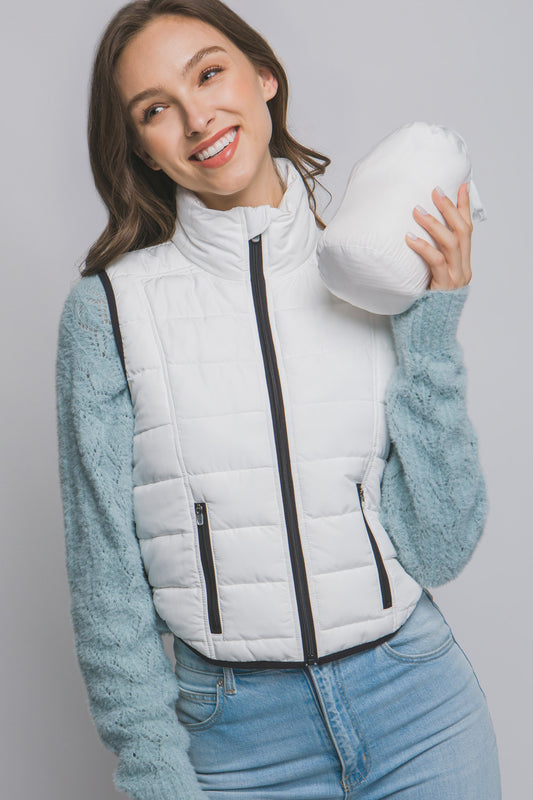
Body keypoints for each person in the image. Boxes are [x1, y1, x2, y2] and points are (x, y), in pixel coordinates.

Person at [55, 1, 502, 798]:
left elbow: (439, 547)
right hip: (237, 741)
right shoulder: (108, 312)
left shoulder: (372, 270)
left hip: (419, 711)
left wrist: (431, 331)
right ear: (143, 150)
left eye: (210, 73)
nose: (197, 118)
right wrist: (154, 771)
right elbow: (105, 580)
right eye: (157, 109)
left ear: (264, 78)